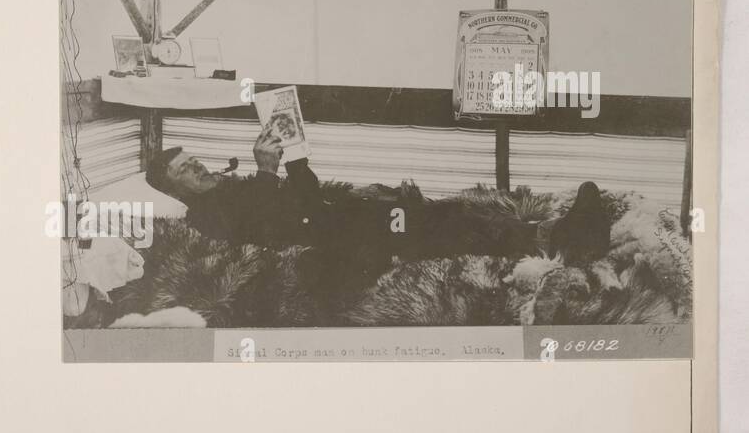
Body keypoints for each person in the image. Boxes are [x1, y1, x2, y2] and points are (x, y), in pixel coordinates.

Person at [146, 129, 610, 289]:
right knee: (438, 227)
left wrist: (298, 157)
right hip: (332, 242)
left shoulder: (230, 186)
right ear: (175, 191)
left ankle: (550, 233)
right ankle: (561, 242)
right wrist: (267, 172)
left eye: (195, 161)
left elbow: (302, 199)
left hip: (335, 216)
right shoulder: (201, 218)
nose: (201, 168)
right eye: (187, 170)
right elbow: (261, 232)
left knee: (444, 214)